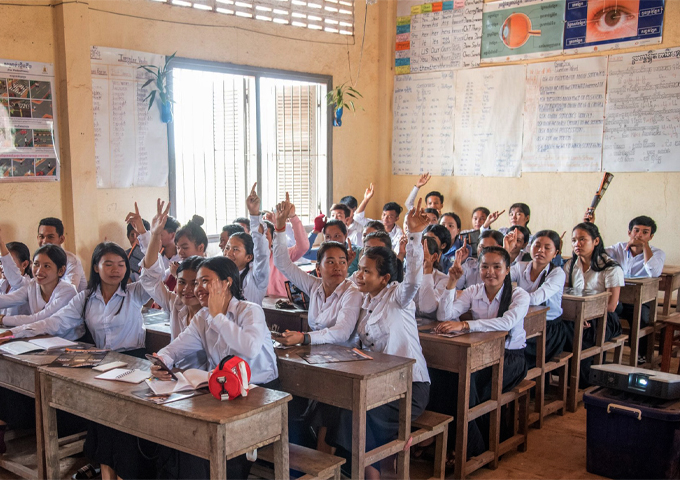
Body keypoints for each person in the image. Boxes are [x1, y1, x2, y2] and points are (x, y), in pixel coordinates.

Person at [0, 242, 153, 480]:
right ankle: (104, 471)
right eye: (109, 264)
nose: (116, 270)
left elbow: (154, 274)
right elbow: (53, 322)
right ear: (96, 267)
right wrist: (14, 333)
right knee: (99, 414)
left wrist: (150, 236)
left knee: (117, 418)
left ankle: (118, 472)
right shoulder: (85, 297)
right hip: (103, 362)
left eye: (121, 264)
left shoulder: (134, 293)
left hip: (132, 362)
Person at [324, 199, 431, 479]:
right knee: (343, 406)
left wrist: (416, 236)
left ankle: (365, 470)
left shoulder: (398, 297)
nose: (358, 275)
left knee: (357, 414)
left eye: (366, 271)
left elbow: (414, 280)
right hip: (379, 384)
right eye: (358, 268)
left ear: (384, 278)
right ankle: (369, 470)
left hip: (409, 387)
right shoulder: (364, 301)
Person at [152, 255, 278, 480]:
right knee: (181, 440)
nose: (197, 288)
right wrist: (162, 361)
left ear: (226, 282)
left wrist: (218, 316)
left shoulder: (249, 311)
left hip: (260, 396)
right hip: (223, 396)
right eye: (196, 282)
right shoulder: (202, 317)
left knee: (203, 449)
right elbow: (175, 348)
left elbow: (249, 348)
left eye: (205, 281)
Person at [433, 246, 529, 461]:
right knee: (447, 378)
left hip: (510, 359)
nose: (490, 272)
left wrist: (466, 325)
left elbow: (506, 323)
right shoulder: (473, 291)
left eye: (497, 267)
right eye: (485, 266)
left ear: (507, 270)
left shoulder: (518, 294)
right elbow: (444, 314)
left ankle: (472, 447)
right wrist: (451, 283)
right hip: (478, 357)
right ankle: (466, 443)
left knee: (467, 385)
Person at [273, 194, 362, 347]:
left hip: (346, 360)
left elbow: (342, 332)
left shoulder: (351, 292)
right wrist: (280, 226)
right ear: (318, 267)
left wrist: (304, 338)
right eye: (330, 261)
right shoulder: (315, 286)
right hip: (318, 355)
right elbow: (283, 263)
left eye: (342, 262)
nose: (338, 267)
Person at [139, 199, 207, 369]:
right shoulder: (176, 303)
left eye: (196, 283)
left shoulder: (215, 312)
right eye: (182, 282)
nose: (187, 289)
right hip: (179, 375)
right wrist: (154, 235)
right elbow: (150, 280)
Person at [563, 222, 624, 388]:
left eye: (583, 239)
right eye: (574, 240)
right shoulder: (570, 265)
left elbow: (611, 306)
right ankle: (571, 379)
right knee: (560, 329)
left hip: (604, 318)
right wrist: (577, 316)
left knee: (582, 335)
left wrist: (585, 315)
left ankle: (586, 382)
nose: (577, 244)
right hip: (576, 315)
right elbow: (565, 296)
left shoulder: (610, 267)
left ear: (596, 241)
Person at [508, 230, 568, 369]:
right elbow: (500, 281)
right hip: (524, 322)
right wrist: (508, 253)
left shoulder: (557, 273)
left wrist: (510, 296)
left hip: (548, 330)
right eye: (537, 245)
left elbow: (536, 299)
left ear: (556, 253)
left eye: (547, 248)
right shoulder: (520, 266)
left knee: (514, 352)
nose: (540, 250)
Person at [0, 244, 79, 335]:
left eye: (46, 266)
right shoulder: (32, 285)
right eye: (36, 264)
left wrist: (2, 319)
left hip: (69, 341)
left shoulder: (67, 291)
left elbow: (40, 318)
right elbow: (9, 299)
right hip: (41, 338)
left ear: (61, 271)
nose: (39, 271)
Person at [223, 183, 269, 305]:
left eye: (235, 249)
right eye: (227, 248)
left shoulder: (256, 277)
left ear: (249, 257)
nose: (228, 253)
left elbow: (261, 252)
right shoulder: (219, 275)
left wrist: (254, 215)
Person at [126, 203, 181, 287]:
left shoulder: (181, 258)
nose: (156, 239)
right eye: (154, 235)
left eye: (160, 235)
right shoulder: (154, 253)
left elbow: (158, 280)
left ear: (172, 235)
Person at [266, 195, 309, 297]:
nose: (261, 239)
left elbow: (303, 247)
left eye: (265, 235)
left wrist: (293, 217)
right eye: (257, 236)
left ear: (273, 240)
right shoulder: (247, 258)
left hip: (281, 306)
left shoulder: (282, 255)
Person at [37, 217, 87, 292]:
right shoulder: (37, 261)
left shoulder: (72, 261)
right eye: (41, 237)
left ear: (61, 239)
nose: (44, 241)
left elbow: (69, 292)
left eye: (50, 237)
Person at [353, 183, 403, 253]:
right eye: (384, 214)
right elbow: (357, 218)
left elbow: (396, 253)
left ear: (397, 218)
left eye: (390, 216)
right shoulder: (376, 224)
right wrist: (366, 199)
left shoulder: (399, 233)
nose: (385, 218)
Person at [0, 233, 32, 316]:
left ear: (24, 264)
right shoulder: (2, 284)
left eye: (10, 263)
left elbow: (15, 278)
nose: (3, 267)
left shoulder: (28, 285)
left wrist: (1, 244)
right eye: (1, 262)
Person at [415, 237, 447, 319]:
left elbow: (428, 308)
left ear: (434, 257)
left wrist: (427, 271)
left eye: (420, 252)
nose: (415, 257)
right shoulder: (407, 277)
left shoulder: (444, 280)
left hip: (438, 327)